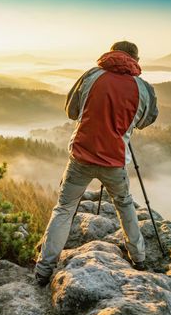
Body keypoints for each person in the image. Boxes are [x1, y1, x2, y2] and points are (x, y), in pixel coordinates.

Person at [34, 41, 159, 286]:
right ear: (135, 59)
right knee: (124, 204)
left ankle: (43, 270)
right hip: (115, 161)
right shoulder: (143, 89)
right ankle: (139, 258)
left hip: (81, 156)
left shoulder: (91, 75)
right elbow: (146, 120)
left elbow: (71, 111)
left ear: (112, 53)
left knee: (64, 209)